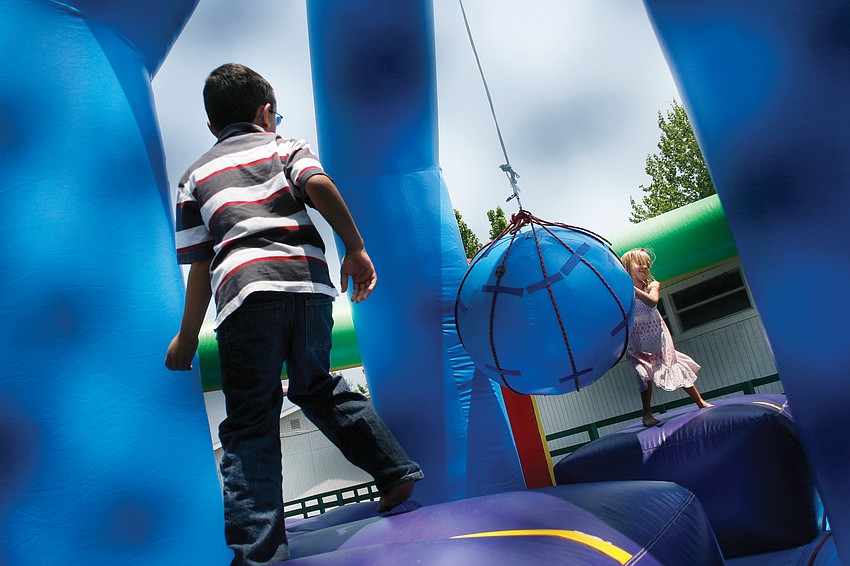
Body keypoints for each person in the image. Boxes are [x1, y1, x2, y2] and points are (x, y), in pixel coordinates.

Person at [164, 63, 423, 565]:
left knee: (250, 423)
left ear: (213, 127)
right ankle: (394, 472)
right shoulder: (284, 146)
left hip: (245, 296)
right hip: (308, 288)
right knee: (317, 386)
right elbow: (319, 186)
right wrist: (355, 248)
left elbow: (199, 269)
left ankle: (259, 550)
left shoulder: (193, 176)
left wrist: (187, 338)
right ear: (266, 112)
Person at [620, 248, 712, 427]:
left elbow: (652, 302)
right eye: (640, 263)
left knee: (673, 364)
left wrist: (630, 289)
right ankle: (646, 413)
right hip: (637, 339)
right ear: (627, 266)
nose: (645, 267)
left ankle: (700, 401)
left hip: (656, 336)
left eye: (647, 264)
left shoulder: (652, 285)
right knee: (643, 373)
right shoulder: (622, 292)